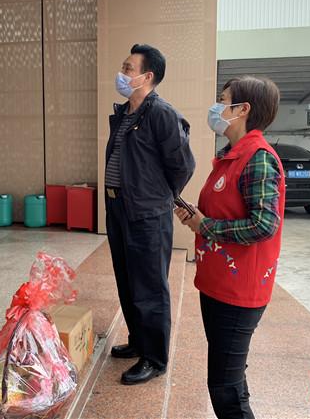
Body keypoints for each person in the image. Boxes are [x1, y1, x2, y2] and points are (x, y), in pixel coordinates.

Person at [175, 75, 285, 418]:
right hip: (219, 283)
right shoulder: (231, 157)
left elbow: (263, 224)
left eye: (223, 101)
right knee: (230, 378)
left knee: (224, 388)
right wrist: (198, 217)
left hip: (239, 292)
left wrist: (205, 225)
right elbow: (228, 209)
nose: (217, 107)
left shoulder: (258, 158)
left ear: (242, 109)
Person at [105, 44, 195, 385]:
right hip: (119, 209)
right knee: (128, 280)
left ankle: (154, 358)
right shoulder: (125, 113)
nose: (122, 73)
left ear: (147, 76)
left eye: (128, 68)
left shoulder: (162, 114)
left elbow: (183, 166)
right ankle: (138, 341)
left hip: (147, 213)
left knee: (150, 287)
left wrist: (159, 197)